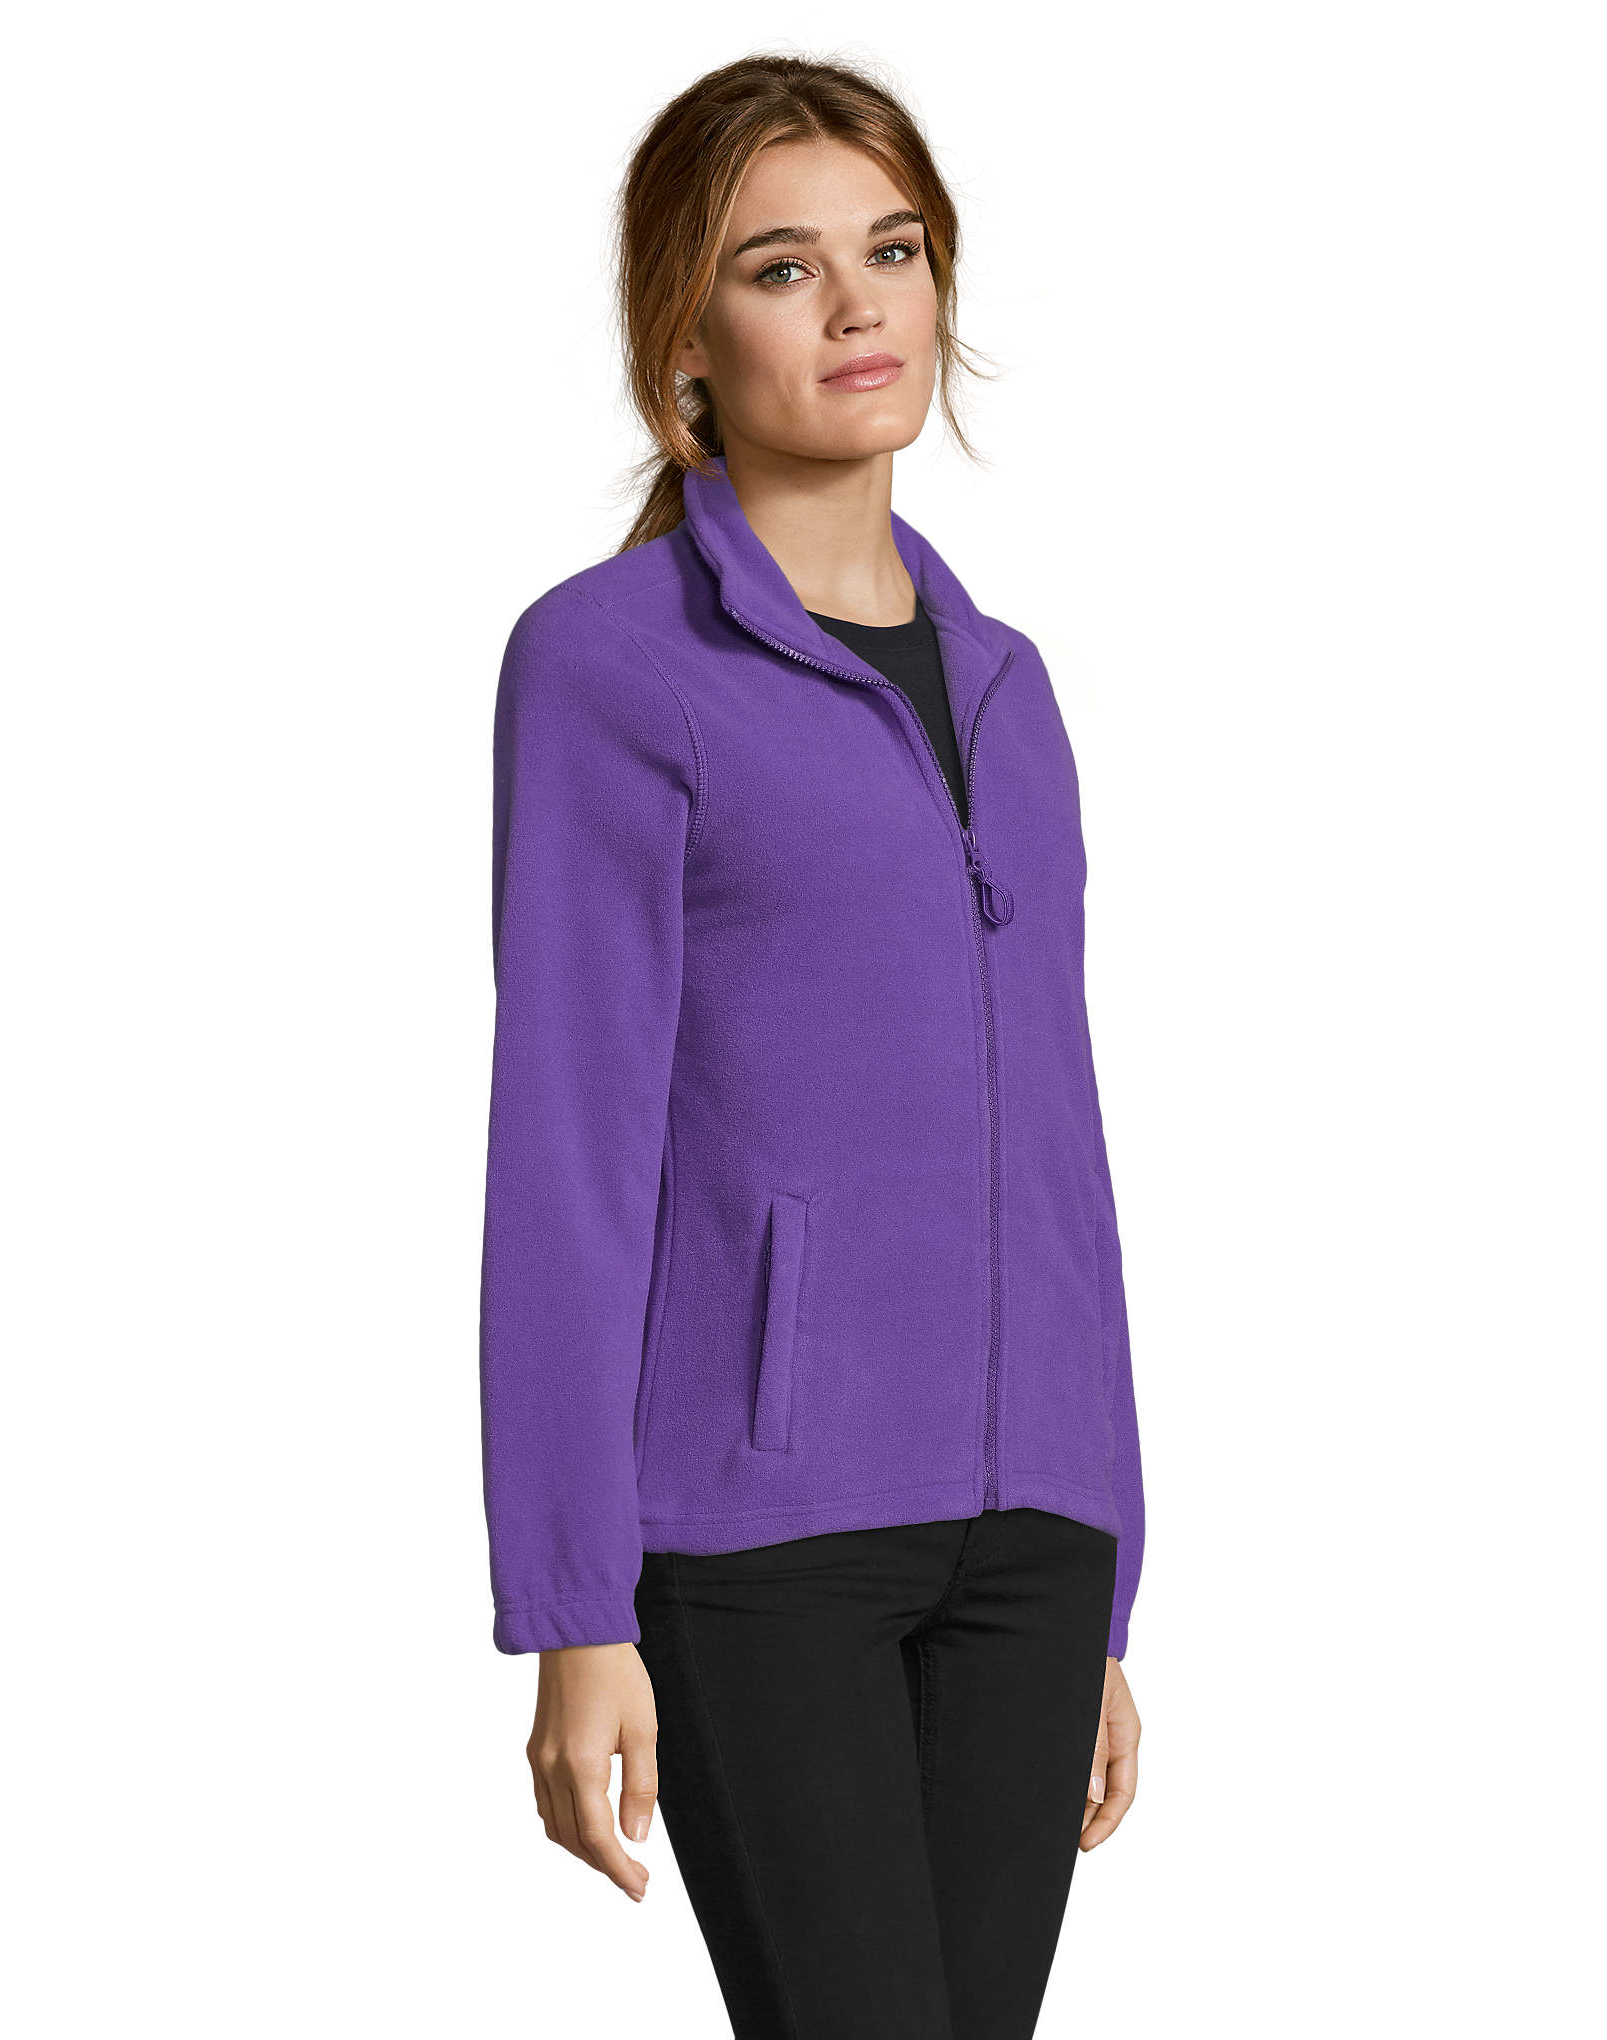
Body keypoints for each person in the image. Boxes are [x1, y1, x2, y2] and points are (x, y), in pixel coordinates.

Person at [479, 53, 1146, 2040]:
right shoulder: (607, 666)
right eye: (782, 267)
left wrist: (1103, 1574)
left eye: (893, 250)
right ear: (680, 338)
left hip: (1027, 1549)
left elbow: (1061, 1150)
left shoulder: (1011, 687)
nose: (856, 305)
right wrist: (574, 1605)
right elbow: (569, 1147)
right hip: (761, 1538)